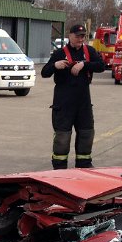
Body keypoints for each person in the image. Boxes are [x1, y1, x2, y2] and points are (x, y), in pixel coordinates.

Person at [41, 24, 105, 169]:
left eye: (83, 36)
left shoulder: (89, 51)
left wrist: (84, 65)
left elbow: (101, 66)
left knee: (86, 135)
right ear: (70, 36)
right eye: (77, 36)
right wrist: (55, 65)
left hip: (83, 104)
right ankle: (59, 168)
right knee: (62, 138)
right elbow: (45, 73)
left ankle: (84, 165)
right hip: (63, 104)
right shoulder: (59, 53)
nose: (80, 39)